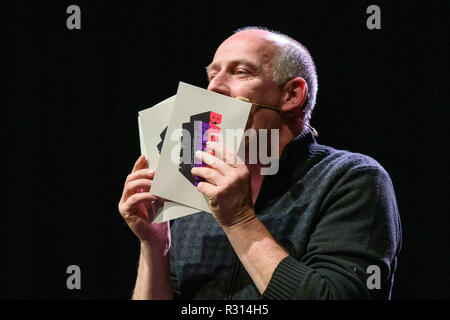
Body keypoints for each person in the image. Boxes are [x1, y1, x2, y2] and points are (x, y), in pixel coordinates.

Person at [118, 27, 402, 299]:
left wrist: (239, 219)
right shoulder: (197, 192)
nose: (214, 87)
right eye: (212, 75)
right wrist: (155, 246)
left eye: (240, 72)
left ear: (291, 94)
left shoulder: (352, 178)